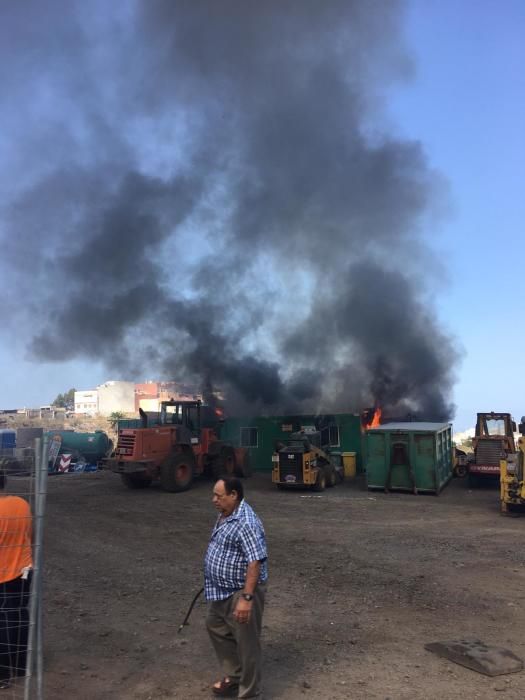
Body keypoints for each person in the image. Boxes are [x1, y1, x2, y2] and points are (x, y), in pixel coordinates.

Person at [204, 476, 268, 699]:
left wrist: (247, 598)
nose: (214, 500)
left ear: (234, 495)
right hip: (222, 590)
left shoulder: (246, 523)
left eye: (218, 496)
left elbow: (255, 561)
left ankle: (249, 693)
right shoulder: (226, 513)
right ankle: (236, 676)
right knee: (215, 625)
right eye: (214, 495)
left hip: (241, 591)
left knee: (247, 644)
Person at [0, 470, 33, 690]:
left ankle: (2, 674)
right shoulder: (22, 504)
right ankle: (21, 665)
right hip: (25, 570)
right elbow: (30, 534)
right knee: (20, 614)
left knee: (2, 622)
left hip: (2, 574)